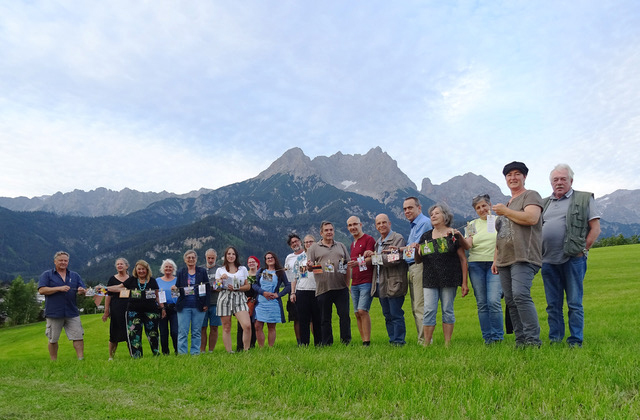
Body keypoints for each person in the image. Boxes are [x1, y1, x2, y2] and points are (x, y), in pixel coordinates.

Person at [541, 164, 601, 347]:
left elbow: (595, 228)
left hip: (573, 259)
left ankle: (575, 341)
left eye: (563, 179)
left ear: (571, 181)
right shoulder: (545, 203)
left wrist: (584, 250)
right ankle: (555, 340)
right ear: (551, 182)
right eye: (555, 180)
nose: (559, 183)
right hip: (548, 260)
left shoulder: (583, 198)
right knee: (553, 305)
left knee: (574, 303)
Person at [492, 161, 543, 348]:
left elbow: (531, 218)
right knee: (511, 301)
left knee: (521, 295)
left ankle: (533, 340)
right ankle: (520, 340)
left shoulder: (531, 195)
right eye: (509, 175)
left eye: (517, 174)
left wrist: (505, 211)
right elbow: (500, 235)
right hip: (505, 258)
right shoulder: (508, 203)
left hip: (524, 255)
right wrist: (496, 259)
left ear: (524, 177)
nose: (513, 178)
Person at [413, 204, 469, 346]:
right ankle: (426, 344)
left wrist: (464, 282)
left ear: (445, 216)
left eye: (436, 213)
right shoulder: (426, 236)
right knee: (429, 310)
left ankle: (447, 344)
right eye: (431, 214)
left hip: (449, 278)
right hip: (430, 278)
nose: (433, 216)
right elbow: (419, 260)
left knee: (447, 310)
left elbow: (463, 259)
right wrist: (416, 250)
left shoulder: (453, 235)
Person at [464, 195, 504, 345]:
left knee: (493, 300)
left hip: (495, 263)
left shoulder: (499, 221)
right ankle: (487, 338)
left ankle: (497, 337)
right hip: (476, 265)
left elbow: (503, 241)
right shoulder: (471, 225)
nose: (482, 210)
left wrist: (497, 260)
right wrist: (460, 238)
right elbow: (468, 245)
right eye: (478, 208)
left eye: (484, 206)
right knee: (482, 303)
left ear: (490, 205)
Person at [306, 221, 351, 346]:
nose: (329, 232)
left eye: (331, 229)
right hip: (323, 288)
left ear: (334, 231)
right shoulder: (314, 248)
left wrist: (348, 284)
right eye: (326, 230)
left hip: (341, 287)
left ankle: (346, 341)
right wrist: (309, 266)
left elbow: (348, 265)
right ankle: (327, 343)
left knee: (344, 316)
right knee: (325, 319)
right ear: (321, 233)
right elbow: (309, 267)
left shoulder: (341, 246)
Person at [366, 214, 408, 346]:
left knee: (396, 314)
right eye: (378, 223)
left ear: (390, 223)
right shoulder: (378, 242)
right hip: (381, 283)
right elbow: (376, 260)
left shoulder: (398, 238)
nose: (381, 225)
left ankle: (399, 341)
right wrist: (370, 256)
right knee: (387, 315)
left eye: (384, 222)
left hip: (394, 282)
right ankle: (392, 340)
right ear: (376, 226)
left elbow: (394, 259)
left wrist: (375, 257)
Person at [38, 251, 87, 360]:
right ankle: (53, 361)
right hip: (54, 312)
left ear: (68, 262)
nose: (63, 262)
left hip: (72, 311)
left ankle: (81, 359)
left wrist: (81, 291)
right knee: (53, 339)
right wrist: (58, 288)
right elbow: (41, 290)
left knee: (78, 336)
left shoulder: (75, 275)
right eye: (61, 260)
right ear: (55, 261)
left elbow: (83, 291)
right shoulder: (47, 274)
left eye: (65, 260)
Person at [403, 196, 432, 344]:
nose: (407, 211)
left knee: (419, 305)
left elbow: (418, 248)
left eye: (410, 208)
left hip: (420, 266)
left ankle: (425, 341)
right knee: (416, 306)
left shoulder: (424, 223)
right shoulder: (414, 225)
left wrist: (403, 250)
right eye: (405, 209)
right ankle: (422, 339)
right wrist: (401, 249)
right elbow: (411, 247)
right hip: (412, 267)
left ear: (419, 208)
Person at [285, 234, 321, 346]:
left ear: (315, 243)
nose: (309, 244)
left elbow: (322, 273)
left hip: (317, 290)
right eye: (307, 242)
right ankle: (305, 344)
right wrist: (293, 292)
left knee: (317, 319)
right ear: (304, 244)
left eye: (311, 241)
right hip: (302, 290)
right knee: (303, 320)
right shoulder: (300, 258)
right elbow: (294, 277)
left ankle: (319, 343)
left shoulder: (319, 256)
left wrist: (314, 266)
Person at [121, 260, 163, 358]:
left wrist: (162, 308)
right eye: (139, 269)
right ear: (136, 270)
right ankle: (137, 356)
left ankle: (156, 353)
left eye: (143, 269)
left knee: (153, 333)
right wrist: (105, 288)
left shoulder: (152, 281)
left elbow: (157, 296)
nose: (141, 271)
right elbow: (119, 287)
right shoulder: (131, 280)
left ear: (147, 270)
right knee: (134, 334)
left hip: (151, 311)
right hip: (133, 311)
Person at [216, 246, 253, 352]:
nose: (231, 256)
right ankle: (229, 352)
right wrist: (220, 280)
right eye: (229, 254)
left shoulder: (243, 269)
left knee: (247, 325)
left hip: (239, 297)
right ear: (225, 256)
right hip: (224, 297)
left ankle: (246, 350)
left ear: (236, 256)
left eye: (233, 254)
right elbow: (216, 288)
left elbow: (248, 286)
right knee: (226, 327)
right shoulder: (220, 270)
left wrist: (237, 288)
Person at [346, 216, 376, 346]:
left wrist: (357, 263)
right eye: (350, 225)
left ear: (361, 224)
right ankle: (363, 339)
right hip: (355, 282)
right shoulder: (352, 243)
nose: (353, 227)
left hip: (366, 281)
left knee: (363, 310)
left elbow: (373, 259)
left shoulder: (369, 239)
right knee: (357, 313)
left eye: (355, 224)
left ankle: (367, 341)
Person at [174, 250, 209, 355]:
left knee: (196, 332)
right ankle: (182, 353)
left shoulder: (202, 271)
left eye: (193, 257)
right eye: (188, 257)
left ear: (196, 259)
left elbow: (207, 288)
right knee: (182, 332)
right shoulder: (181, 272)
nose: (191, 259)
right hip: (183, 306)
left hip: (199, 305)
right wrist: (174, 289)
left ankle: (195, 353)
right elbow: (177, 288)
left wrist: (206, 303)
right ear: (185, 260)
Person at [253, 252, 291, 347]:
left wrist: (278, 295)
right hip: (261, 302)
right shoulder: (261, 271)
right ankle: (261, 348)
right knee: (258, 325)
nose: (269, 259)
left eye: (271, 257)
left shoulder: (280, 272)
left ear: (275, 259)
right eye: (267, 258)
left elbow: (288, 286)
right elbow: (254, 284)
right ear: (265, 261)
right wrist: (263, 292)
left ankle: (271, 347)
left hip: (273, 303)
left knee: (271, 326)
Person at [103, 257, 131, 360]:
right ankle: (111, 356)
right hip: (115, 308)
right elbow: (108, 295)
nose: (119, 266)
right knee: (114, 333)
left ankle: (132, 354)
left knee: (130, 333)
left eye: (121, 264)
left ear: (126, 266)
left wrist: (118, 289)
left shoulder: (131, 278)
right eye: (118, 264)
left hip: (129, 308)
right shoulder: (112, 279)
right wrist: (106, 310)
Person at [201, 248, 222, 353]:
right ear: (205, 257)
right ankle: (202, 350)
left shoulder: (220, 269)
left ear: (216, 258)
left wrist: (209, 287)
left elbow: (219, 287)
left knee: (214, 328)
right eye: (208, 258)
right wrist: (212, 286)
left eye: (212, 258)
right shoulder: (200, 269)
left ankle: (211, 350)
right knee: (202, 328)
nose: (210, 260)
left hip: (216, 302)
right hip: (202, 303)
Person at [157, 258, 179, 355]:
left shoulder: (177, 280)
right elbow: (156, 295)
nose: (168, 269)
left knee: (175, 331)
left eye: (170, 267)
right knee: (163, 332)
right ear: (163, 268)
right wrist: (162, 307)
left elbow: (179, 295)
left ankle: (177, 350)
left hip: (174, 307)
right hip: (162, 308)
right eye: (166, 267)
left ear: (173, 269)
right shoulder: (157, 280)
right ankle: (165, 352)